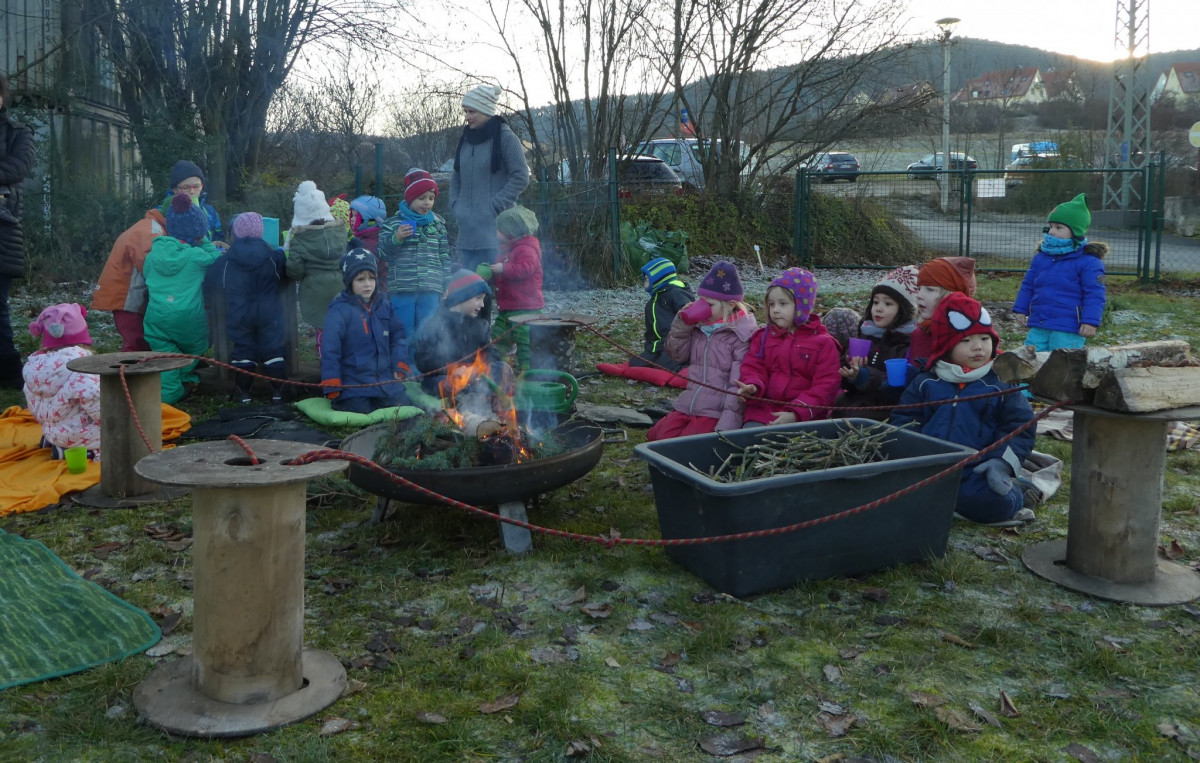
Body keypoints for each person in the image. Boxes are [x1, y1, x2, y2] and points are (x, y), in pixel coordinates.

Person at [890, 293, 1038, 526]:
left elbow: (1020, 426)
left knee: (991, 502)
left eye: (984, 338)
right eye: (966, 341)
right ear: (946, 346)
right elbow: (904, 419)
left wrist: (1001, 462)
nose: (978, 347)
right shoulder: (927, 381)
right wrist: (912, 452)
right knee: (895, 494)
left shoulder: (1000, 383)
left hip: (977, 469)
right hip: (930, 466)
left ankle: (1018, 492)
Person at [645, 260, 758, 441]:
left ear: (730, 305)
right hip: (689, 402)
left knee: (681, 447)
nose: (703, 307)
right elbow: (677, 355)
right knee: (656, 437)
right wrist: (682, 325)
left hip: (714, 411)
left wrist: (727, 426)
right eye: (701, 302)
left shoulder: (740, 335)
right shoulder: (699, 328)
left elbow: (736, 387)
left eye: (710, 305)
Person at [141, 193, 222, 403]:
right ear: (198, 231)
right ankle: (176, 387)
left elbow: (148, 275)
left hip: (156, 316)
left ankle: (175, 385)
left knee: (165, 353)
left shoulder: (153, 253)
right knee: (198, 345)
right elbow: (216, 257)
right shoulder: (196, 257)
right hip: (187, 319)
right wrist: (203, 239)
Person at [737, 267, 841, 427]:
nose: (775, 310)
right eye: (771, 304)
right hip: (764, 411)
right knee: (751, 442)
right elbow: (754, 366)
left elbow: (826, 386)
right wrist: (753, 385)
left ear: (802, 306)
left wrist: (797, 413)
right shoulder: (763, 337)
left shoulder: (823, 343)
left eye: (783, 304)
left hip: (805, 417)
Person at [203, 212, 288, 404]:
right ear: (260, 232)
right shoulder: (273, 258)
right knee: (273, 348)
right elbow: (285, 271)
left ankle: (243, 392)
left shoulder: (225, 262)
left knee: (243, 349)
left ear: (235, 233)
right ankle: (279, 391)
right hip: (269, 312)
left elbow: (211, 282)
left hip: (239, 312)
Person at [450, 83, 530, 272]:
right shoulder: (466, 139)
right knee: (469, 291)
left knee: (492, 291)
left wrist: (494, 205)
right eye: (465, 111)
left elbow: (521, 176)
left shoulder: (506, 138)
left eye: (472, 112)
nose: (467, 117)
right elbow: (456, 176)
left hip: (496, 233)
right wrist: (455, 204)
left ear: (486, 110)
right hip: (467, 232)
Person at [320, 249, 411, 414]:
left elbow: (398, 337)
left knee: (405, 406)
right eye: (360, 279)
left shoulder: (385, 305)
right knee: (360, 410)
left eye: (371, 278)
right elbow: (330, 349)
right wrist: (332, 384)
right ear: (349, 282)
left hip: (385, 382)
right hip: (354, 384)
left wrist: (400, 364)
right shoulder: (339, 310)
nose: (367, 284)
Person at [1013, 193, 1108, 350]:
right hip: (1040, 322)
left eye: (1059, 228)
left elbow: (1094, 294)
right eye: (1050, 226)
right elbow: (1028, 285)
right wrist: (1021, 309)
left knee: (1062, 363)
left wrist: (1090, 320)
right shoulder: (1042, 257)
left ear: (1075, 231)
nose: (1051, 231)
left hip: (1068, 326)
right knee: (1031, 357)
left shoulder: (1088, 261)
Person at [378, 169, 452, 370]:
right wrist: (397, 238)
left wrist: (446, 282)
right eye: (421, 198)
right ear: (410, 198)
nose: (426, 203)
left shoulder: (438, 226)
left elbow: (444, 256)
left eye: (431, 198)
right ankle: (404, 370)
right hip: (402, 288)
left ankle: (426, 370)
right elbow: (384, 255)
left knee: (428, 331)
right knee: (404, 331)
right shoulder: (393, 224)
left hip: (431, 288)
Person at [835, 265, 920, 419]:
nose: (878, 309)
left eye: (888, 304)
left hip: (885, 409)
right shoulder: (867, 333)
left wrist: (864, 376)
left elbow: (895, 388)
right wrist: (849, 369)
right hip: (856, 402)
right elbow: (842, 379)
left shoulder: (906, 343)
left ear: (904, 311)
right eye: (875, 302)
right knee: (838, 403)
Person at [22, 303, 101, 460]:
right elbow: (98, 404)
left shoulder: (34, 366)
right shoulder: (82, 367)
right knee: (122, 432)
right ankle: (86, 452)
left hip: (50, 429)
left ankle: (55, 442)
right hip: (80, 434)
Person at [0, 72, 37, 388]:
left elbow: (19, 167)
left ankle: (9, 372)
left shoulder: (18, 133)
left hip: (2, 230)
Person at [284, 180, 347, 358]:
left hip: (315, 292)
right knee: (342, 328)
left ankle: (327, 366)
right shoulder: (340, 233)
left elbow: (294, 270)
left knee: (323, 331)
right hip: (341, 288)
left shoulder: (300, 238)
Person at [92, 205, 167, 352]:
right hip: (127, 295)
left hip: (127, 292)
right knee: (136, 342)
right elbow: (150, 265)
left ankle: (135, 371)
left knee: (138, 340)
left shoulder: (151, 225)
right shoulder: (152, 232)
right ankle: (128, 373)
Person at [485, 205, 543, 372]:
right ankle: (495, 368)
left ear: (511, 232)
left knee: (526, 341)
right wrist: (491, 275)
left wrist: (504, 268)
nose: (496, 233)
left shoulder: (526, 248)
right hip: (508, 307)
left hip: (526, 307)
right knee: (497, 339)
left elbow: (527, 268)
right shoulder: (506, 249)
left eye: (499, 230)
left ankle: (528, 372)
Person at [909, 255, 977, 370]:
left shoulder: (970, 337)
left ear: (951, 296)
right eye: (919, 288)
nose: (919, 295)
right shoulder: (921, 332)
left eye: (930, 289)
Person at [631, 257, 693, 373]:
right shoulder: (655, 299)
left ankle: (689, 370)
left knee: (666, 366)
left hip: (673, 345)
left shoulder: (676, 293)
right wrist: (649, 346)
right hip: (656, 346)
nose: (644, 281)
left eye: (647, 278)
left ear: (658, 278)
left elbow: (689, 313)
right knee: (635, 364)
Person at [158, 159, 224, 244]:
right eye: (186, 187)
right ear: (175, 189)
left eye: (196, 187)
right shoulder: (162, 212)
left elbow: (219, 236)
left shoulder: (210, 211)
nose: (192, 191)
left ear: (202, 186)